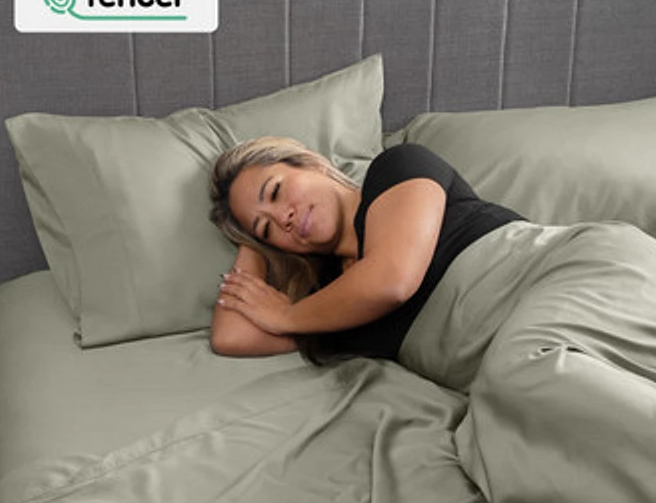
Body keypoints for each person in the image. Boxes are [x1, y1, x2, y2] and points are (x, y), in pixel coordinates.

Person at [208, 137, 524, 362]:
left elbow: (391, 282)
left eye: (276, 191)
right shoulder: (327, 300)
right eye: (268, 228)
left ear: (311, 164)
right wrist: (253, 243)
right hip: (497, 363)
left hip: (531, 283)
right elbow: (230, 337)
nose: (282, 218)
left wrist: (285, 315)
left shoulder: (398, 168)